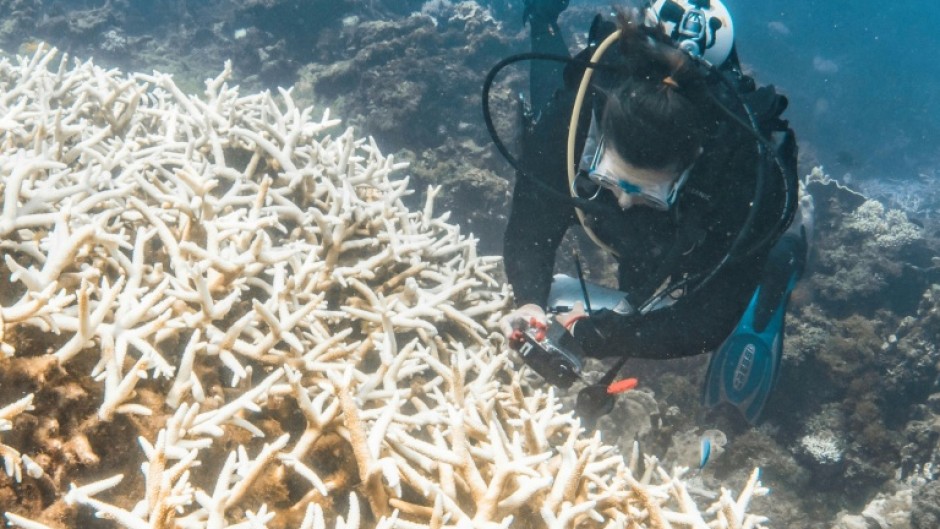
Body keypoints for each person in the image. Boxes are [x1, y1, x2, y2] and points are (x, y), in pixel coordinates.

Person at [489, 0, 812, 423]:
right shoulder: (579, 116)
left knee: (749, 260)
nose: (622, 201)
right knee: (550, 116)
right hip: (592, 129)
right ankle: (542, 14)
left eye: (644, 192)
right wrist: (529, 299)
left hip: (690, 229)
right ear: (599, 145)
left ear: (688, 170)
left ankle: (788, 251)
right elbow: (533, 219)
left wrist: (606, 334)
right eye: (609, 180)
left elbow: (708, 322)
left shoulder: (744, 182)